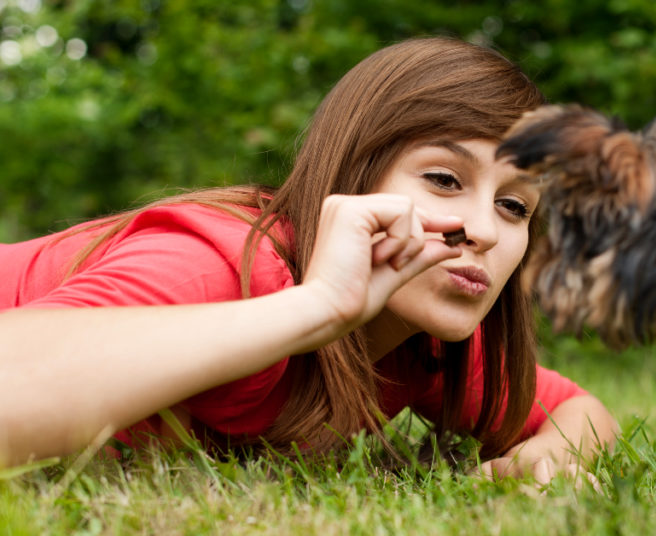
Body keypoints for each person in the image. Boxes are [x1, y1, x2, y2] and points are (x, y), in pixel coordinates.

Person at [0, 37, 618, 481]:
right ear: (355, 175)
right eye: (444, 179)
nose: (483, 229)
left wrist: (551, 459)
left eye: (514, 206)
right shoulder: (228, 264)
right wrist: (318, 307)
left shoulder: (421, 340)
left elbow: (578, 409)